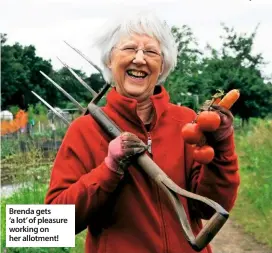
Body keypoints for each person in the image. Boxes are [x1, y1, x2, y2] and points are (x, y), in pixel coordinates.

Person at [45, 12, 240, 253]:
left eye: (150, 52)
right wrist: (109, 169)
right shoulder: (84, 130)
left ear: (162, 65)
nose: (139, 59)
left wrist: (221, 149)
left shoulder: (187, 122)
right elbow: (53, 224)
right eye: (128, 49)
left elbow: (210, 208)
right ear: (109, 60)